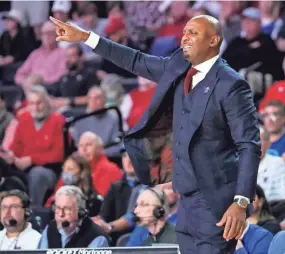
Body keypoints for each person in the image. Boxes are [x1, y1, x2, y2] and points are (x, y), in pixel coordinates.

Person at [50, 14, 261, 253]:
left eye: (193, 33)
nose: (185, 38)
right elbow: (135, 59)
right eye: (184, 33)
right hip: (185, 200)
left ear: (213, 41)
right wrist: (87, 37)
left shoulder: (231, 84)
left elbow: (249, 145)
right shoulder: (178, 65)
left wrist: (241, 201)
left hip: (216, 201)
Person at [38, 185, 109, 248]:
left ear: (80, 212)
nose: (61, 214)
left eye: (67, 209)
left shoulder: (96, 237)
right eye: (58, 208)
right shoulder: (49, 229)